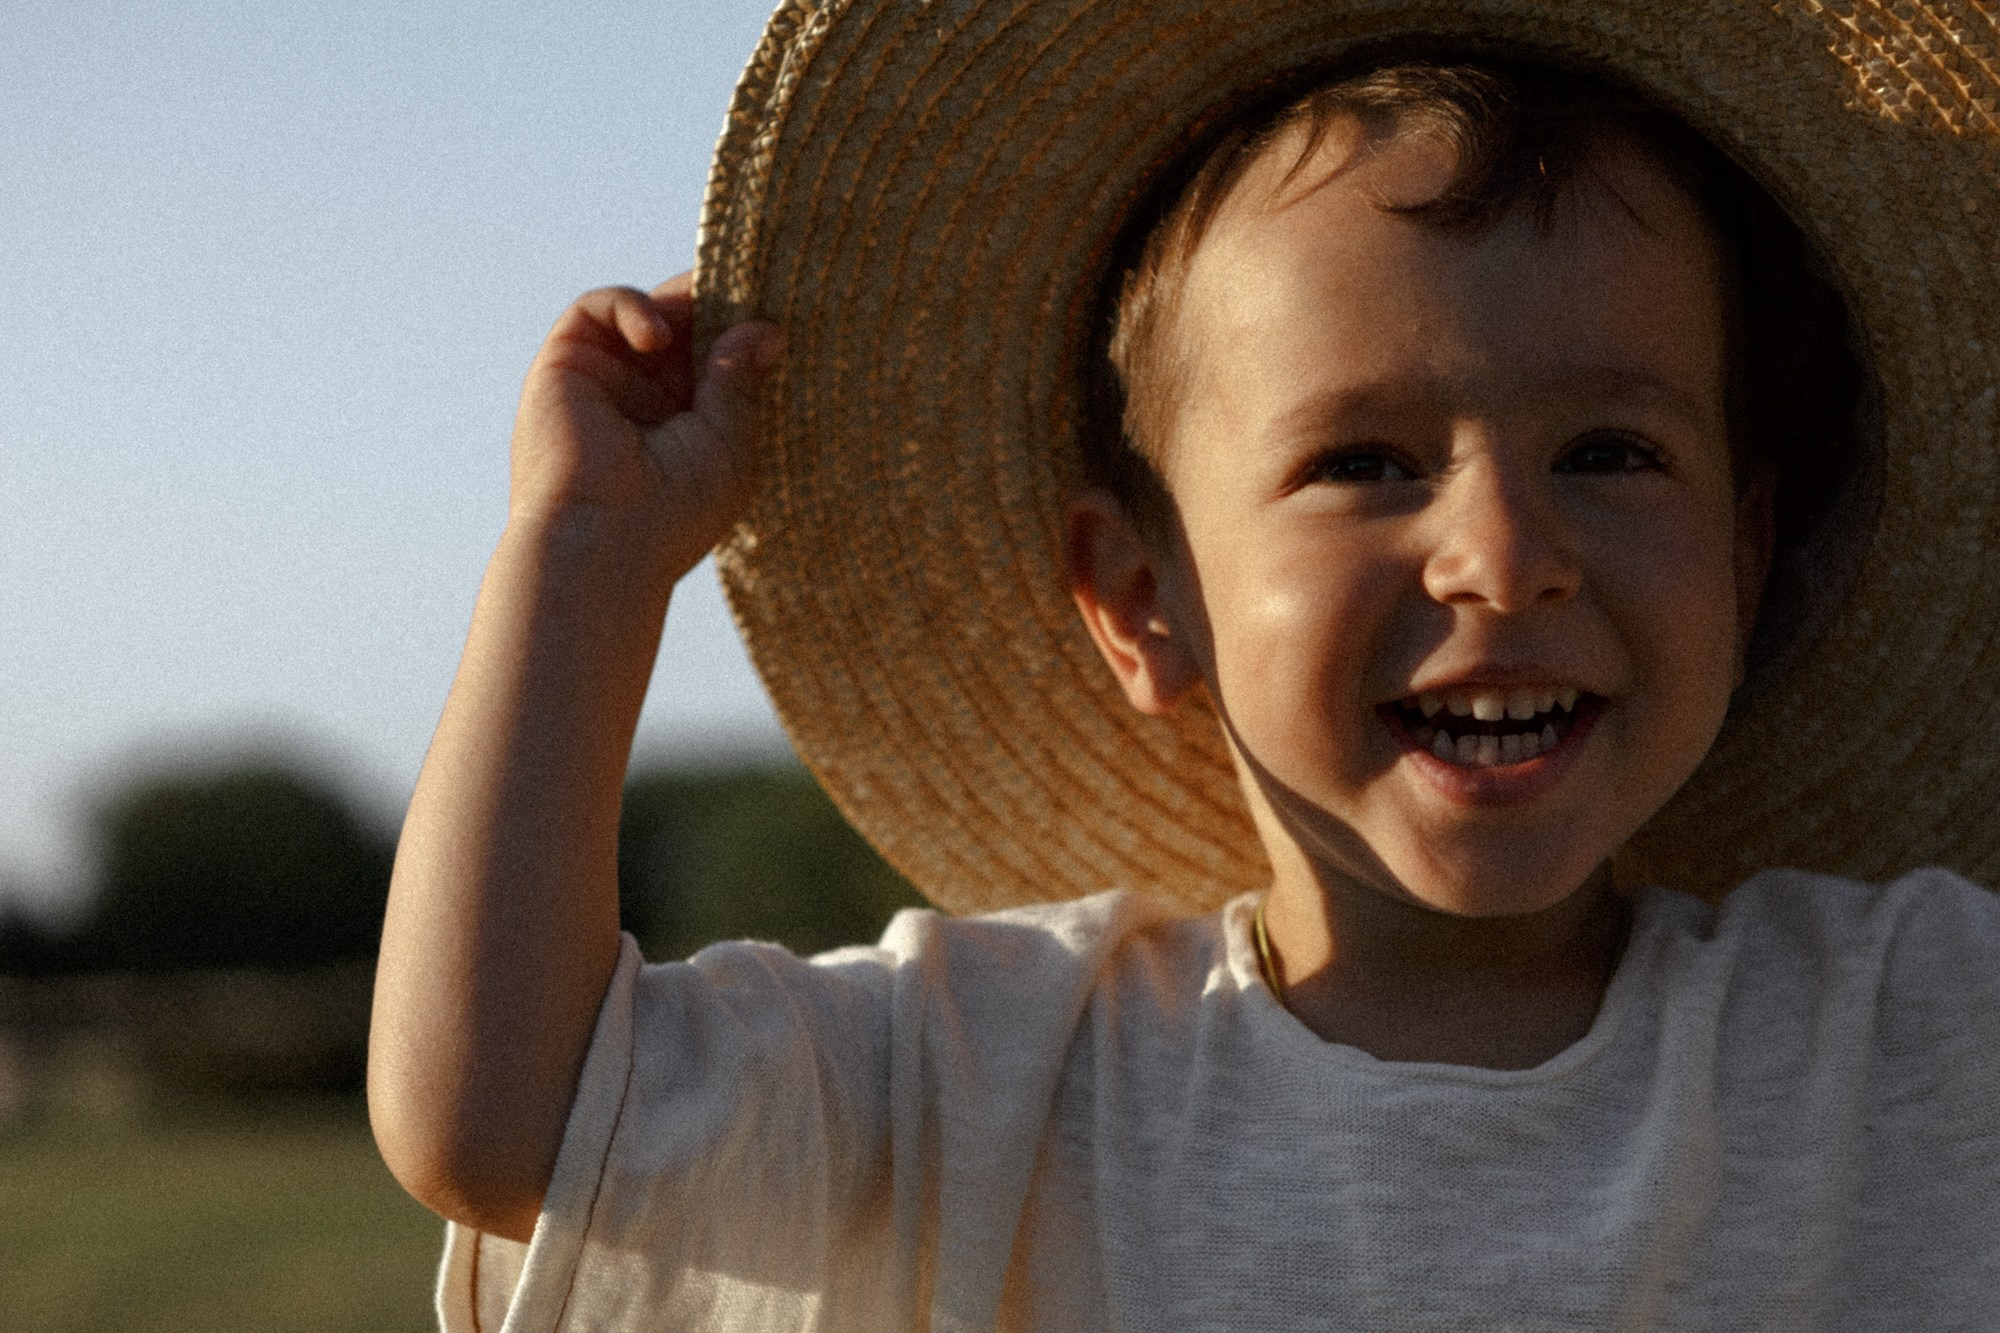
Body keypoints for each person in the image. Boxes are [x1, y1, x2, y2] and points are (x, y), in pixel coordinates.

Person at [369, 5, 2000, 1329]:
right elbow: (504, 1121)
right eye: (1365, 462)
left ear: (1746, 546)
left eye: (1612, 452)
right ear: (1142, 597)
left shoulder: (1911, 1024)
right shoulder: (985, 1072)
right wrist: (581, 559)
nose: (1504, 553)